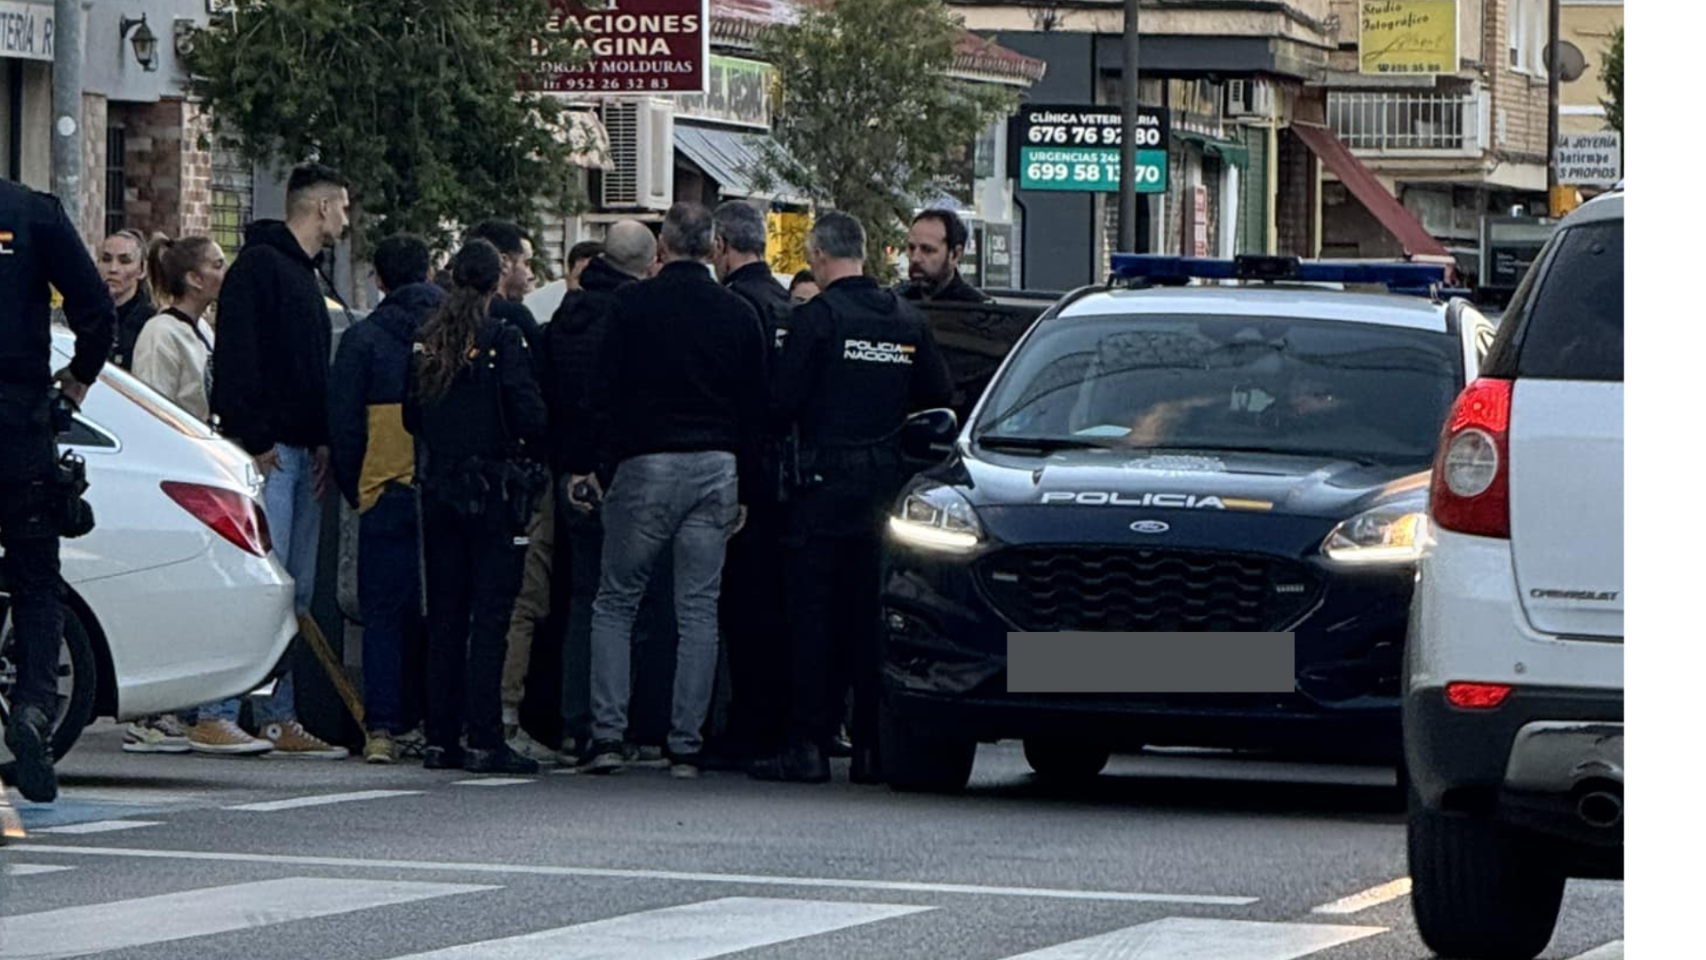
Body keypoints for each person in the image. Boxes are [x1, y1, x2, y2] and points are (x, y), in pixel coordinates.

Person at [566, 203, 770, 779]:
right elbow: (756, 408)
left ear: (664, 249)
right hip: (717, 465)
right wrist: (747, 486)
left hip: (645, 463)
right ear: (712, 248)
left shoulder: (631, 307)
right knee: (698, 608)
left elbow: (600, 389)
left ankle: (608, 734)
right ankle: (686, 741)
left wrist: (588, 464)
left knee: (616, 600)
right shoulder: (736, 313)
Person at [750, 211, 953, 785]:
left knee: (811, 618)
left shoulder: (817, 319)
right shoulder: (907, 320)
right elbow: (937, 398)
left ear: (817, 256)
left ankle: (807, 747)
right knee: (872, 619)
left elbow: (781, 402)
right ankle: (871, 747)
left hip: (820, 491)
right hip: (885, 492)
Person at [209, 161, 352, 759]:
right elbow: (239, 358)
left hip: (301, 449)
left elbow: (310, 367)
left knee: (291, 593)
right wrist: (257, 436)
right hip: (271, 453)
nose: (347, 218)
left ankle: (276, 713)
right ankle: (215, 708)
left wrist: (321, 436)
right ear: (319, 207)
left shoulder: (312, 276)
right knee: (262, 585)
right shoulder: (262, 269)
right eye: (343, 206)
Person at [121, 234, 275, 756]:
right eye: (215, 264)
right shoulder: (162, 333)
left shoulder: (203, 331)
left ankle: (188, 706)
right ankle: (153, 714)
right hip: (176, 471)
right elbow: (154, 401)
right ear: (192, 277)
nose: (222, 271)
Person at [405, 239, 549, 775]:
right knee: (490, 615)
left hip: (439, 486)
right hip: (494, 489)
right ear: (495, 283)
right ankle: (485, 734)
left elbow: (410, 415)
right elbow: (529, 414)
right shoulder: (503, 337)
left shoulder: (428, 338)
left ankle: (440, 735)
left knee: (444, 613)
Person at [0, 178, 117, 802]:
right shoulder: (31, 212)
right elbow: (98, 312)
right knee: (37, 579)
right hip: (17, 427)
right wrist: (78, 379)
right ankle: (35, 708)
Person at [545, 221, 676, 768]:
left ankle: (577, 724)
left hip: (570, 476)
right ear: (650, 262)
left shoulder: (563, 317)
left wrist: (572, 466)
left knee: (584, 601)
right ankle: (631, 725)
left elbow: (551, 394)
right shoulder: (641, 318)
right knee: (638, 603)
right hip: (626, 472)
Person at [329, 234, 445, 764]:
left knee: (382, 615)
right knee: (443, 611)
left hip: (383, 489)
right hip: (445, 491)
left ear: (379, 280)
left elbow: (345, 427)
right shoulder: (455, 331)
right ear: (428, 272)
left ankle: (382, 728)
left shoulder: (363, 339)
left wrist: (359, 487)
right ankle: (438, 723)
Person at [709, 200, 794, 766]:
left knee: (741, 607)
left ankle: (745, 725)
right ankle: (778, 723)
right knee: (779, 606)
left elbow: (738, 398)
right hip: (789, 476)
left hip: (746, 475)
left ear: (720, 246)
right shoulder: (788, 305)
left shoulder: (735, 307)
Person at [900, 209, 990, 304]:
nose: (915, 258)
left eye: (927, 250)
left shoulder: (979, 310)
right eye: (911, 248)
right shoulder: (894, 303)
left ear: (955, 255)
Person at [100, 229, 156, 369]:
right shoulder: (80, 313)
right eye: (106, 259)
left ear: (142, 269)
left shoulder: (152, 323)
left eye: (124, 261)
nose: (113, 268)